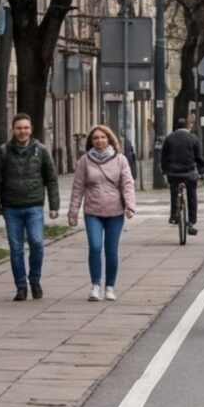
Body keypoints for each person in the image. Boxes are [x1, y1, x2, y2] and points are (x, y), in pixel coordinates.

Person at [0, 113, 59, 301]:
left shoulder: (41, 150)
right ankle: (21, 286)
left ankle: (34, 280)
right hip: (11, 208)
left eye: (26, 128)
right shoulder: (4, 151)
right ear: (13, 129)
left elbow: (51, 179)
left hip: (34, 206)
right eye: (19, 128)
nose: (22, 131)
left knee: (37, 243)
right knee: (16, 248)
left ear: (31, 129)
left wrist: (54, 205)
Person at [70, 124, 138, 301]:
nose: (99, 141)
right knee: (94, 247)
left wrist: (130, 206)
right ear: (91, 142)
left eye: (102, 137)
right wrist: (73, 212)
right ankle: (95, 286)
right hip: (92, 210)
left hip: (115, 211)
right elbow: (78, 187)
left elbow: (128, 184)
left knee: (111, 250)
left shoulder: (120, 159)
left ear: (109, 139)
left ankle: (109, 287)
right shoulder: (84, 161)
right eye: (95, 138)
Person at [158, 113, 204, 236]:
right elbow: (199, 157)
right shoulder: (193, 138)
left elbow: (163, 157)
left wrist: (164, 170)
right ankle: (191, 222)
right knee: (192, 195)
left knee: (174, 192)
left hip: (173, 173)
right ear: (187, 126)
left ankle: (174, 215)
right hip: (190, 173)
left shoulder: (169, 138)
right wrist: (202, 171)